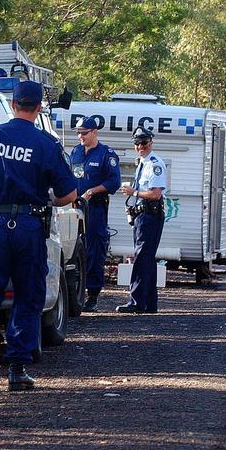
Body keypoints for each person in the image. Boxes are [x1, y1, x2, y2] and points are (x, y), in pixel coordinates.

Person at [0, 80, 78, 391]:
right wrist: (48, 200)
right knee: (28, 297)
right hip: (29, 227)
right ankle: (16, 369)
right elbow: (69, 194)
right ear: (38, 108)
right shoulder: (47, 144)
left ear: (13, 105)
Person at [70, 117, 121, 312]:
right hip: (75, 208)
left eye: (84, 133)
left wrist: (92, 191)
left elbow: (113, 182)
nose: (80, 136)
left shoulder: (106, 155)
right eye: (78, 133)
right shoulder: (75, 152)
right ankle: (75, 291)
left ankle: (92, 294)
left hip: (95, 210)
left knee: (94, 251)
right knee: (74, 249)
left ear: (94, 132)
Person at [116, 127, 167, 313]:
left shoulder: (154, 164)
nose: (140, 146)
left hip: (150, 216)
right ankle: (150, 304)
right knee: (147, 258)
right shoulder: (142, 163)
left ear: (151, 142)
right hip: (142, 216)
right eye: (137, 143)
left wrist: (134, 192)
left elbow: (155, 194)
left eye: (144, 143)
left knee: (141, 258)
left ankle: (136, 302)